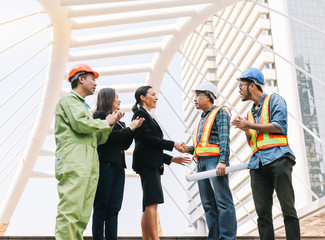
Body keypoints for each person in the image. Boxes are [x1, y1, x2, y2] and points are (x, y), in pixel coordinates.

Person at [54, 64, 122, 240]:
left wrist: (110, 124)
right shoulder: (68, 101)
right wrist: (106, 122)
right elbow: (81, 124)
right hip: (74, 161)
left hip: (89, 164)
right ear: (81, 79)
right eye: (92, 79)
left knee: (82, 215)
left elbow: (98, 139)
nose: (95, 84)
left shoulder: (83, 107)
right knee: (70, 211)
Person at [231, 68, 300, 240]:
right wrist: (246, 130)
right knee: (262, 215)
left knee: (288, 209)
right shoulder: (249, 114)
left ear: (252, 86)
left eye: (241, 86)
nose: (239, 89)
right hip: (257, 165)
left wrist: (249, 126)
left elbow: (279, 126)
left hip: (279, 159)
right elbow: (254, 143)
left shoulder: (274, 100)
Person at [179, 81, 237, 240]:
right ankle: (214, 237)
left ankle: (227, 238)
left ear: (209, 97)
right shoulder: (202, 119)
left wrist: (223, 161)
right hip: (202, 163)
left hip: (216, 162)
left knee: (223, 202)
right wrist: (188, 149)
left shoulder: (220, 112)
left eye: (198, 95)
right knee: (208, 205)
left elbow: (224, 139)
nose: (195, 99)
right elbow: (203, 145)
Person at [131, 86, 190, 240]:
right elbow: (149, 140)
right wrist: (174, 144)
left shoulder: (147, 115)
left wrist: (171, 158)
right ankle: (154, 238)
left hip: (149, 162)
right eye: (153, 94)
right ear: (143, 97)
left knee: (148, 203)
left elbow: (149, 146)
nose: (156, 97)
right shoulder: (140, 114)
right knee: (152, 202)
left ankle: (147, 238)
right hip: (147, 164)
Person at [92, 88, 144, 240]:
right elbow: (107, 140)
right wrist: (130, 128)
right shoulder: (99, 118)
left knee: (114, 208)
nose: (119, 100)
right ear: (108, 99)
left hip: (118, 167)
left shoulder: (120, 123)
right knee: (101, 207)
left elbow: (124, 145)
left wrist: (133, 129)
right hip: (104, 166)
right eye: (116, 97)